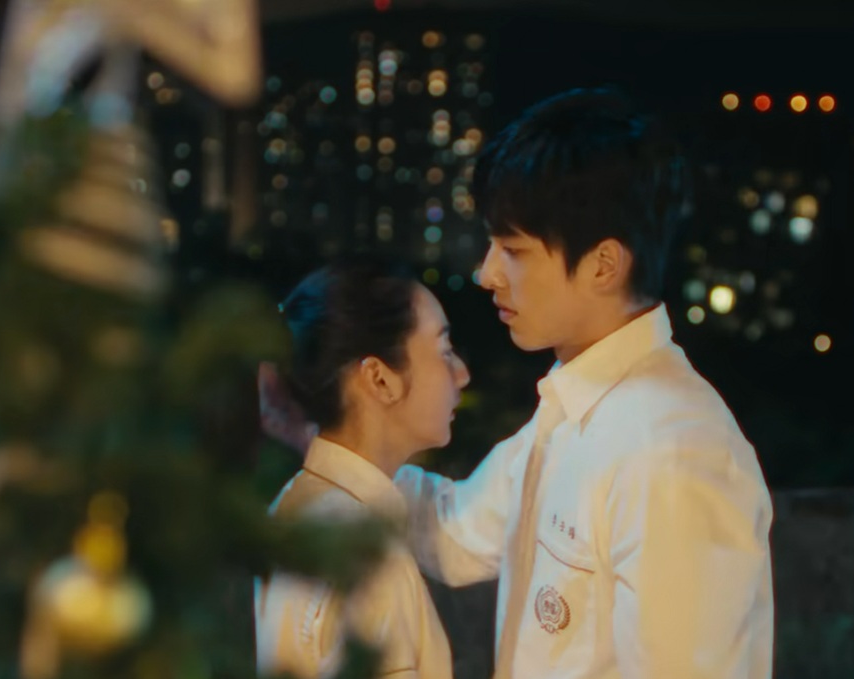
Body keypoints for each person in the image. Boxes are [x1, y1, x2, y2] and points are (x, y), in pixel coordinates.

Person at [391, 88, 775, 678]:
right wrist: (337, 443)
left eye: (513, 249)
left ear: (603, 264)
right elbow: (455, 532)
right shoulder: (575, 404)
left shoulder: (670, 451)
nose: (487, 274)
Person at [254, 256, 471, 678]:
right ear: (379, 379)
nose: (461, 374)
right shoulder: (371, 557)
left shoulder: (294, 507)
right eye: (444, 351)